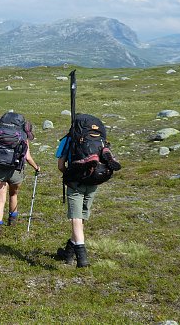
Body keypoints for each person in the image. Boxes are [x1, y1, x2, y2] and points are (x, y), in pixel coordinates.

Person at [55, 114, 122, 267]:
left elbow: (60, 165)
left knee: (76, 218)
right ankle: (68, 252)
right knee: (82, 217)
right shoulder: (98, 138)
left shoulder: (69, 139)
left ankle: (82, 256)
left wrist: (69, 174)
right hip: (95, 179)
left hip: (76, 182)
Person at [0, 145, 39, 238]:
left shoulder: (0, 132)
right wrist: (36, 167)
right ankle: (12, 220)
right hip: (15, 170)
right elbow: (27, 157)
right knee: (13, 194)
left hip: (0, 170)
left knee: (0, 200)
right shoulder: (23, 134)